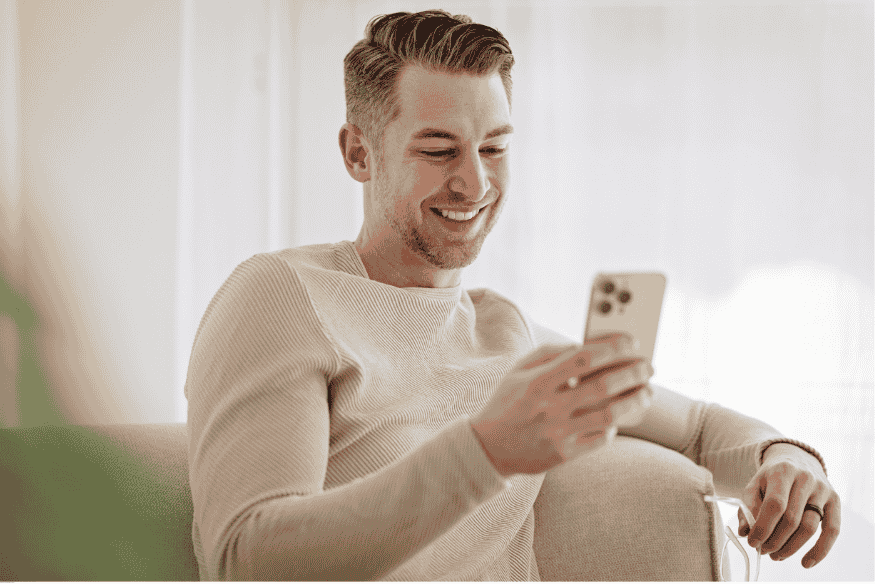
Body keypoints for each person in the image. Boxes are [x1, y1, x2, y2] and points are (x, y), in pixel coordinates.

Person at [184, 9, 840, 580]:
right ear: (359, 153)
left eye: (494, 147)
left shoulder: (504, 333)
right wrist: (487, 450)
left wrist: (783, 458)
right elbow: (244, 560)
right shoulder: (281, 296)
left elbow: (697, 430)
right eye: (439, 149)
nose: (474, 185)